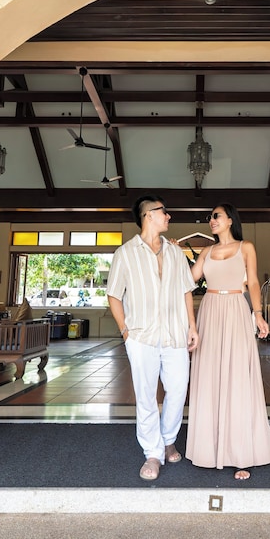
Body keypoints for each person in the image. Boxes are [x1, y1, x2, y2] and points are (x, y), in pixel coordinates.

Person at [108, 195, 199, 481]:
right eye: (164, 212)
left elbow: (186, 291)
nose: (168, 216)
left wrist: (192, 327)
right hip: (141, 336)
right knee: (146, 396)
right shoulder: (125, 253)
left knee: (178, 389)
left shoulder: (175, 253)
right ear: (148, 215)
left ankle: (168, 438)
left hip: (175, 334)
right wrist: (126, 332)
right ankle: (153, 453)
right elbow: (114, 295)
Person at [186, 203, 270, 480]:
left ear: (230, 220)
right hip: (210, 310)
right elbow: (187, 281)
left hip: (237, 309)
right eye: (210, 217)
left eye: (216, 216)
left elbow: (253, 282)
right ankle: (210, 449)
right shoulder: (206, 251)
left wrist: (258, 314)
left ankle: (241, 454)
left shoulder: (245, 247)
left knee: (238, 378)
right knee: (210, 376)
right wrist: (171, 254)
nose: (211, 220)